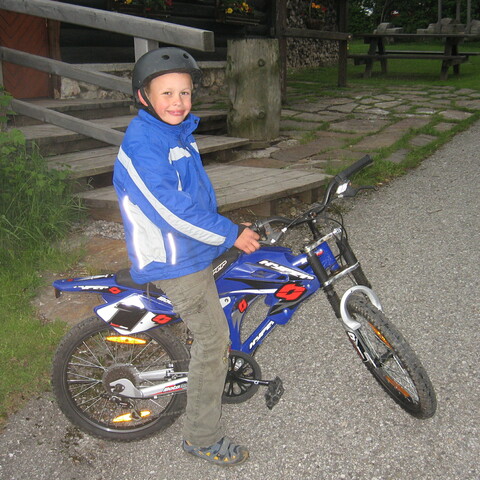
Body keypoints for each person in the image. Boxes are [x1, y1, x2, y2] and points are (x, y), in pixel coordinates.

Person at [113, 47, 260, 466]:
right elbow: (172, 211)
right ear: (143, 97)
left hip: (192, 246)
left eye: (185, 93)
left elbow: (194, 199)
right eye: (167, 94)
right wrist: (230, 233)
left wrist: (224, 230)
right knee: (214, 340)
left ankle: (209, 383)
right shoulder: (144, 143)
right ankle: (201, 437)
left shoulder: (174, 132)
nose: (178, 102)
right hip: (173, 260)